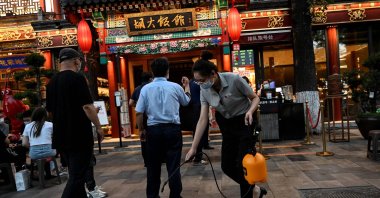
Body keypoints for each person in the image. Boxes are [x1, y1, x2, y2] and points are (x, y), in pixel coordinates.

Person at [185, 51, 267, 198]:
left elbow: (255, 98)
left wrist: (250, 111)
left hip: (244, 121)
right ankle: (255, 190)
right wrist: (193, 148)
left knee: (244, 163)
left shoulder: (234, 79)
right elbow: (202, 119)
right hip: (226, 124)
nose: (200, 84)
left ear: (213, 74)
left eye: (202, 80)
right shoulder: (205, 90)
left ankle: (249, 194)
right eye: (197, 82)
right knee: (227, 166)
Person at [46, 48, 104, 198]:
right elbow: (87, 107)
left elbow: (50, 111)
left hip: (61, 136)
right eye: (79, 61)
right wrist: (98, 127)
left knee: (75, 173)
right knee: (77, 177)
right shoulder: (77, 78)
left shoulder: (51, 82)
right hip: (78, 135)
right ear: (76, 60)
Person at [135, 57, 190, 198]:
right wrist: (187, 86)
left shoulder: (146, 89)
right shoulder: (175, 86)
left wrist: (141, 130)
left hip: (153, 130)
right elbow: (186, 102)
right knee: (173, 165)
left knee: (153, 166)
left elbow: (139, 112)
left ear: (153, 72)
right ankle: (175, 195)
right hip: (173, 130)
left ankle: (152, 195)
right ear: (167, 71)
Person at [181, 75, 210, 166]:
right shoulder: (201, 83)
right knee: (199, 134)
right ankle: (198, 157)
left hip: (192, 111)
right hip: (199, 109)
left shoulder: (189, 83)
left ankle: (196, 156)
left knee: (197, 134)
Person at [129, 72, 153, 167]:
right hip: (151, 116)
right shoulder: (151, 87)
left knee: (143, 139)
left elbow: (130, 103)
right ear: (150, 79)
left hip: (141, 117)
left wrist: (139, 105)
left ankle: (146, 161)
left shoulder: (137, 89)